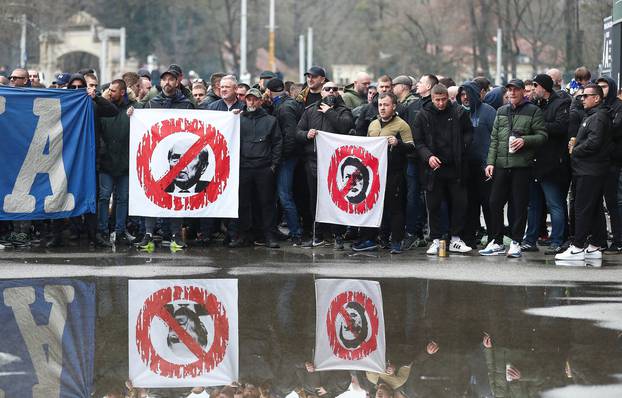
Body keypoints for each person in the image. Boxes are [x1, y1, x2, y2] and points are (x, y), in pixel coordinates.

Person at [479, 79, 547, 258]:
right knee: (494, 202)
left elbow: (542, 136)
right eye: (509, 90)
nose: (512, 93)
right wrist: (490, 163)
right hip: (501, 165)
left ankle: (516, 242)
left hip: (522, 166)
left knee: (518, 205)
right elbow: (494, 140)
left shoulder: (533, 111)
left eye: (516, 90)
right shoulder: (501, 111)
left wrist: (525, 141)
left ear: (523, 91)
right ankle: (497, 241)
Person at [132, 68, 195, 251]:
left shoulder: (186, 105)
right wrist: (132, 113)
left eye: (171, 80)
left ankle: (176, 235)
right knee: (153, 195)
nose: (167, 82)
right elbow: (141, 126)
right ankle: (148, 234)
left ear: (177, 83)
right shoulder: (152, 104)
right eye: (164, 80)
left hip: (178, 159)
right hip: (156, 158)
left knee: (176, 195)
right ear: (160, 83)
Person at [413, 84, 473, 254]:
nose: (440, 103)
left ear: (448, 98)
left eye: (444, 99)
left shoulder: (459, 113)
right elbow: (419, 142)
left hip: (456, 166)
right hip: (433, 167)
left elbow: (469, 132)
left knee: (460, 203)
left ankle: (455, 239)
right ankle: (436, 239)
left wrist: (463, 146)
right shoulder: (422, 116)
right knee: (434, 205)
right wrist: (428, 156)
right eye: (437, 100)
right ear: (432, 99)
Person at [556, 84, 612, 260]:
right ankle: (596, 245)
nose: (582, 99)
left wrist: (575, 150)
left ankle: (578, 246)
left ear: (597, 98)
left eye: (586, 96)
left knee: (582, 208)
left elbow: (594, 143)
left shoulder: (598, 116)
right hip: (589, 169)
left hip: (590, 170)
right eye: (581, 96)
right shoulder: (593, 115)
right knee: (594, 208)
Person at [354, 92, 414, 254]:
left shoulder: (402, 125)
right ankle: (369, 239)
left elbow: (412, 147)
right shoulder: (373, 124)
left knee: (395, 208)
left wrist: (398, 143)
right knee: (370, 206)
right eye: (380, 105)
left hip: (394, 173)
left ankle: (396, 241)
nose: (382, 108)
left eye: (386, 105)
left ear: (394, 106)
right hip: (372, 173)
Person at [297, 81, 354, 248]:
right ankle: (318, 234)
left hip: (336, 164)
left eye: (334, 89)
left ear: (338, 93)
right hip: (313, 162)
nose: (331, 92)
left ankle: (338, 235)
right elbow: (297, 132)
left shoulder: (344, 111)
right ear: (321, 92)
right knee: (315, 199)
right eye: (327, 89)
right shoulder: (310, 111)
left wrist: (329, 112)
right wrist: (306, 134)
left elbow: (346, 127)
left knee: (335, 199)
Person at [521, 74, 571, 255]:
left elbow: (561, 127)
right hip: (536, 162)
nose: (533, 89)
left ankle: (558, 240)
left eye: (536, 85)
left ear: (545, 87)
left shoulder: (560, 103)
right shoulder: (538, 105)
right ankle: (530, 239)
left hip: (552, 164)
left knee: (555, 203)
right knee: (534, 205)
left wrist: (538, 125)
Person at [231, 88, 282, 249]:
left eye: (254, 99)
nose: (251, 102)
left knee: (266, 203)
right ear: (245, 100)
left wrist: (273, 165)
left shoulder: (270, 120)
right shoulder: (237, 119)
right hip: (244, 167)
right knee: (243, 203)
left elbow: (277, 143)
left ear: (260, 101)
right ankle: (243, 235)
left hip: (264, 168)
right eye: (249, 99)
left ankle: (268, 235)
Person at [456, 81, 496, 249]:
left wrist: (491, 162)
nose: (465, 98)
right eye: (462, 95)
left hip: (485, 166)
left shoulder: (489, 112)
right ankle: (469, 239)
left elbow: (496, 138)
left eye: (467, 94)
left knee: (489, 205)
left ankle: (494, 239)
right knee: (469, 205)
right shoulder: (457, 112)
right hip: (465, 167)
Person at [267, 78, 304, 245]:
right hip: (288, 156)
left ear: (269, 91)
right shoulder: (287, 104)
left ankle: (296, 233)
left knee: (284, 196)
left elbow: (290, 136)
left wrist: (281, 157)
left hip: (287, 158)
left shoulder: (285, 108)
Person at [98, 79, 134, 245]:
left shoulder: (132, 110)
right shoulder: (102, 109)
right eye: (109, 90)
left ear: (122, 92)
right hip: (106, 162)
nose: (110, 93)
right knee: (104, 198)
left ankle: (120, 231)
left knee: (122, 198)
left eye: (113, 90)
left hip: (124, 162)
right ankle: (103, 230)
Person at [596, 76, 622, 253]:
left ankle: (618, 240)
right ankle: (601, 239)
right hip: (598, 162)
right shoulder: (598, 108)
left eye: (604, 87)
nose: (601, 90)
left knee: (615, 203)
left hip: (614, 162)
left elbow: (613, 129)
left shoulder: (618, 107)